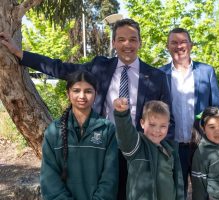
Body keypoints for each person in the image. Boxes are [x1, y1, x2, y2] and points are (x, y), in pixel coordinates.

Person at [1, 18, 174, 199]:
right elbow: (62, 69)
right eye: (121, 39)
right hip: (102, 149)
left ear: (140, 42)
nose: (127, 44)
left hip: (138, 153)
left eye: (132, 39)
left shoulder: (157, 77)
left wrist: (161, 156)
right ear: (114, 42)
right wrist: (21, 54)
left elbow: (168, 121)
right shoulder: (100, 67)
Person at [159, 27, 219, 198]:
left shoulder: (206, 72)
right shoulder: (159, 74)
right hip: (171, 148)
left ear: (191, 45)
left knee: (204, 194)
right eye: (174, 42)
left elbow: (217, 109)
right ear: (167, 46)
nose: (178, 46)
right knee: (175, 193)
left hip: (201, 146)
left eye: (183, 42)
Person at [40, 70, 118, 200]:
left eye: (88, 91)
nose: (82, 96)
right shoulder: (54, 131)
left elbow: (110, 177)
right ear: (68, 94)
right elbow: (49, 177)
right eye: (76, 90)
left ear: (96, 95)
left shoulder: (107, 129)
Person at [113, 98, 184, 200]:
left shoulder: (171, 150)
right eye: (152, 124)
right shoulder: (136, 146)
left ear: (168, 126)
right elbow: (125, 135)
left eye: (163, 126)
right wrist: (122, 114)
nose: (157, 130)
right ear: (142, 123)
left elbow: (178, 184)